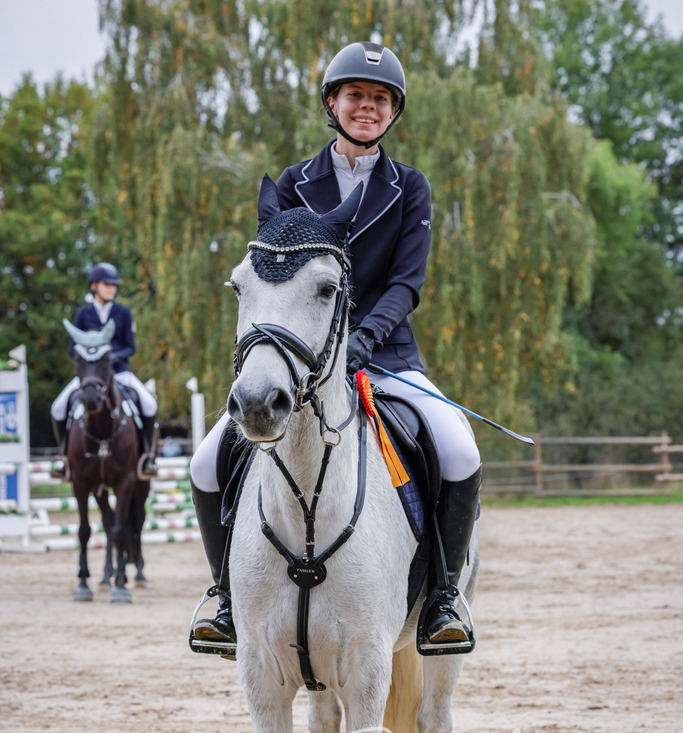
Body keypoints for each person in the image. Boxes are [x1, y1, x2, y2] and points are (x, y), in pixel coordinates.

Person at [190, 41, 481, 654]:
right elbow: (276, 280)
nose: (368, 107)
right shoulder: (295, 183)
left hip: (387, 352)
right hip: (302, 362)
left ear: (393, 111)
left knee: (458, 448)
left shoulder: (412, 188)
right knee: (205, 461)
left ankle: (443, 599)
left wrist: (365, 338)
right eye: (357, 96)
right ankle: (223, 595)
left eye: (380, 99)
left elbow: (406, 283)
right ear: (333, 103)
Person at [51, 262, 158, 479]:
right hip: (90, 375)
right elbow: (73, 349)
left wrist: (110, 358)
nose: (112, 288)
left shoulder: (123, 312)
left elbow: (130, 347)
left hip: (119, 373)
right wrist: (92, 358)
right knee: (57, 407)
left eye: (114, 285)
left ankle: (148, 456)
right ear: (94, 286)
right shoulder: (83, 314)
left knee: (149, 404)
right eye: (106, 284)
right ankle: (62, 456)